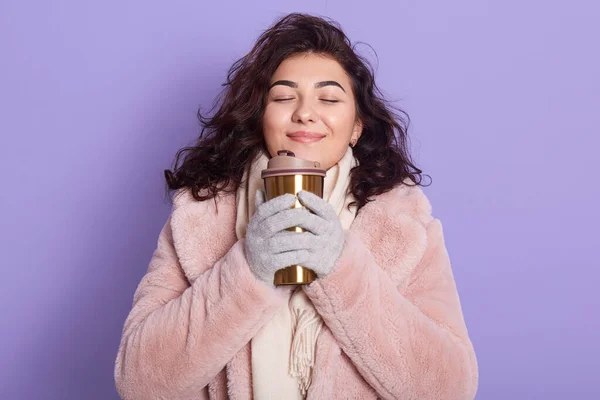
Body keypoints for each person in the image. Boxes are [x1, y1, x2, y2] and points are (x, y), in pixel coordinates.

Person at [114, 12, 479, 400]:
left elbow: (451, 388)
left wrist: (341, 269)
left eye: (329, 98)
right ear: (260, 119)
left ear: (356, 126)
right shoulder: (200, 216)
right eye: (285, 97)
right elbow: (139, 382)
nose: (305, 112)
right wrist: (249, 271)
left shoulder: (404, 224)